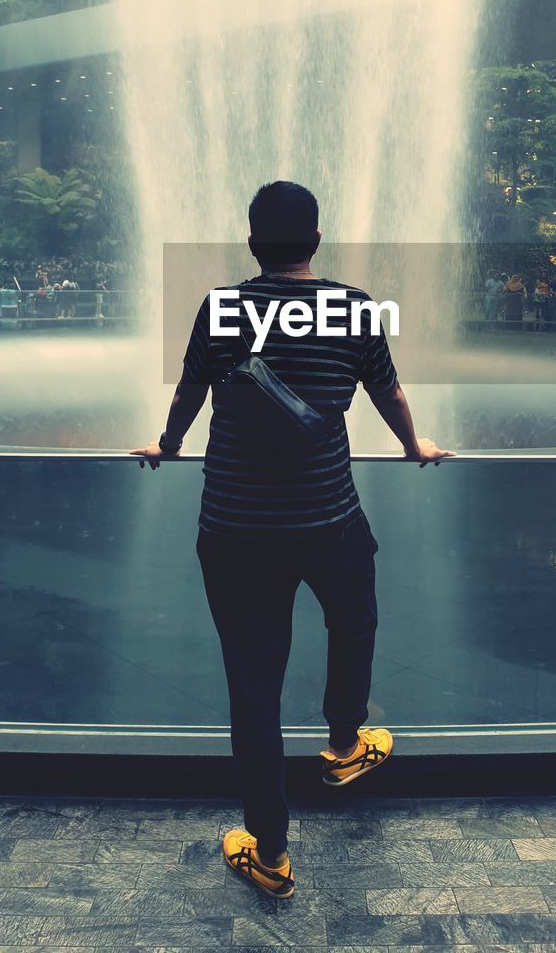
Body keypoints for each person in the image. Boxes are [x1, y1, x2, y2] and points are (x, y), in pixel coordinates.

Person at [130, 181, 453, 900]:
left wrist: (167, 442)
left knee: (253, 692)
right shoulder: (351, 306)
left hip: (236, 529)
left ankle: (270, 853)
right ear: (316, 241)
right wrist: (412, 445)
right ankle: (344, 744)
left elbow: (189, 389)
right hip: (327, 518)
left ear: (253, 243)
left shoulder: (220, 307)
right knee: (354, 618)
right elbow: (388, 392)